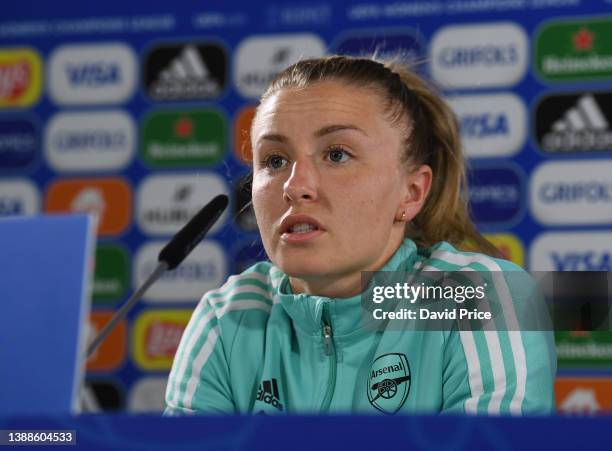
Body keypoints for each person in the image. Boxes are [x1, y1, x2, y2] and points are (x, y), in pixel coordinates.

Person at [164, 55, 556, 415]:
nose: (295, 185)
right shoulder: (226, 318)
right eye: (275, 160)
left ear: (412, 192)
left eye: (337, 154)